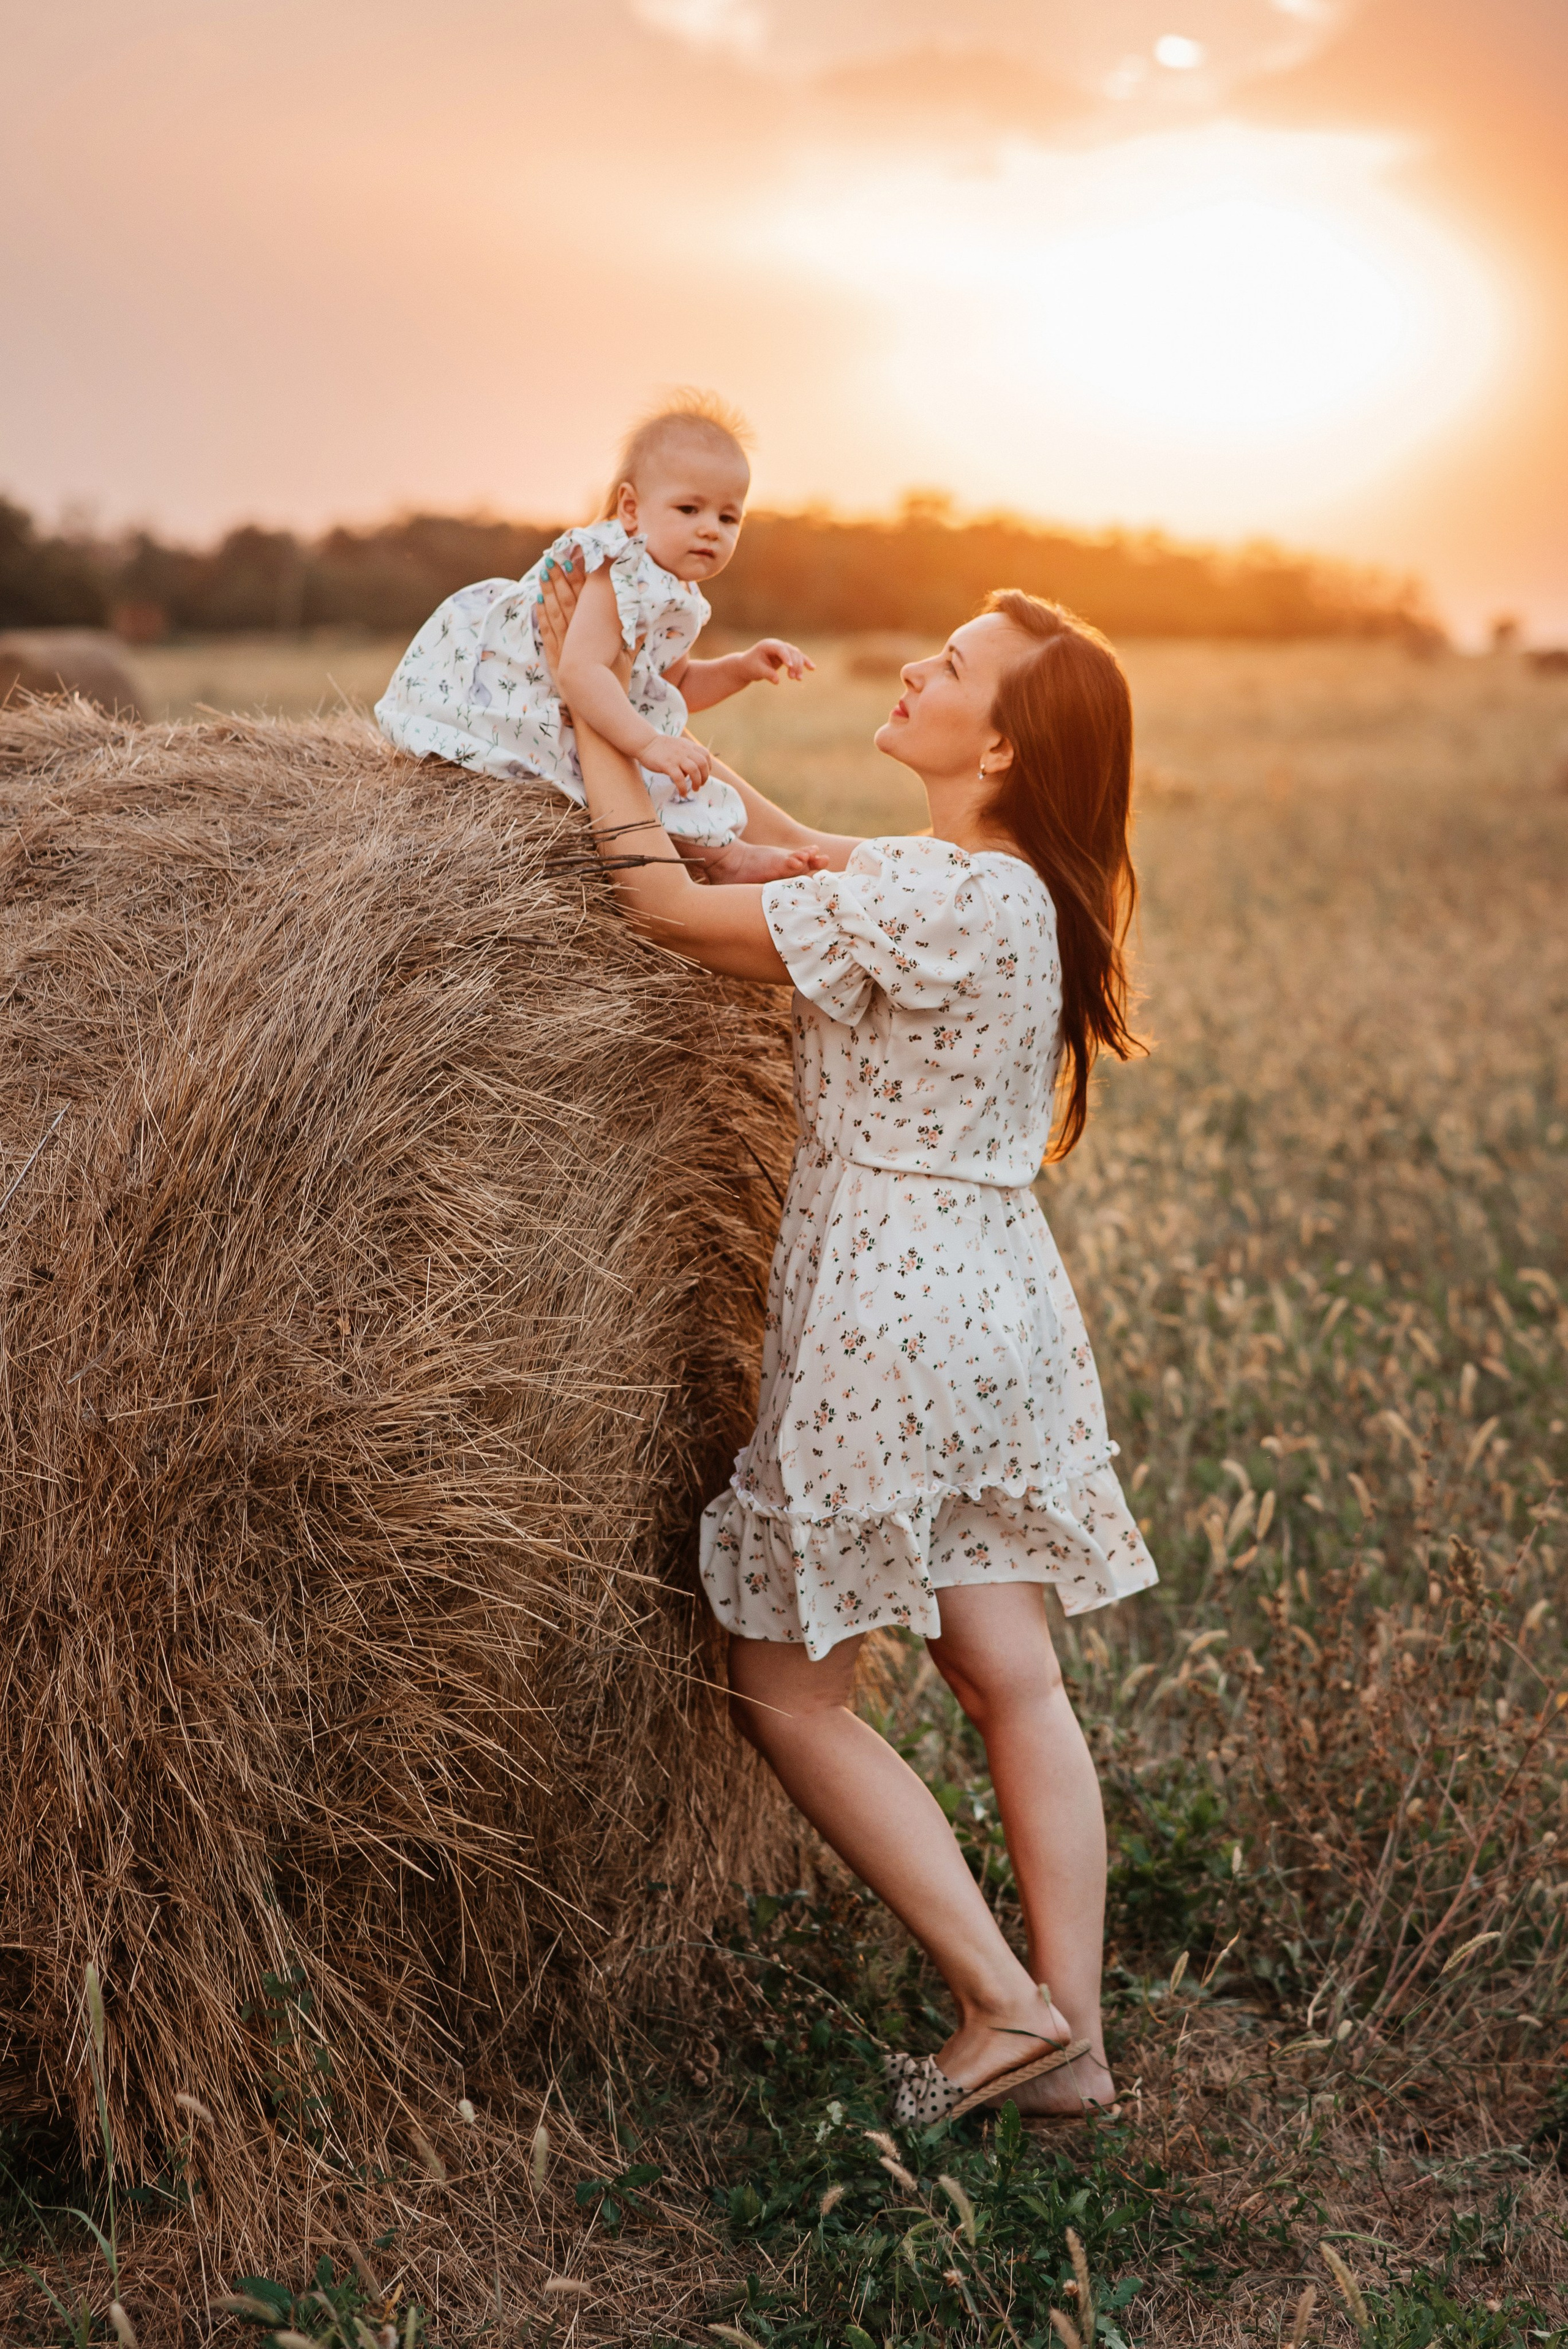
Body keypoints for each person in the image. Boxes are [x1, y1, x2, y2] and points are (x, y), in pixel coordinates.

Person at [537, 567, 1157, 2125]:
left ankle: (1000, 2003)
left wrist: (583, 702)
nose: (911, 671)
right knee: (1007, 1671)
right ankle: (1072, 2041)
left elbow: (670, 903)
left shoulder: (941, 894)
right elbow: (790, 844)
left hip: (888, 1311)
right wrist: (661, 731)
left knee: (784, 1689)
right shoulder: (987, 884)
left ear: (998, 745)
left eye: (947, 666)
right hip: (992, 1299)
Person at [375, 393, 823, 884]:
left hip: (579, 699)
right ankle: (728, 860)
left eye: (727, 517)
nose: (710, 530)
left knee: (654, 751)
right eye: (689, 508)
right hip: (518, 692)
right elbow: (580, 671)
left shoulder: (676, 590)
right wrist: (649, 743)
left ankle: (728, 856)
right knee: (647, 758)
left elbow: (670, 688)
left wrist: (741, 668)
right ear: (631, 508)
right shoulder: (618, 570)